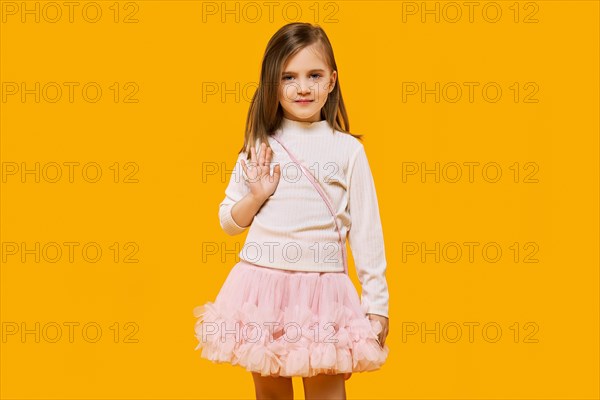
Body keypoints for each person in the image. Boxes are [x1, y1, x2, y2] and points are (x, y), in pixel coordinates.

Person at [193, 22, 390, 400]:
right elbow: (228, 222)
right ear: (273, 85)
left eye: (314, 75)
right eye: (289, 77)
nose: (303, 88)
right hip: (263, 290)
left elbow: (368, 233)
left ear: (331, 81)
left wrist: (377, 305)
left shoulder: (348, 151)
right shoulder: (261, 146)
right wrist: (256, 195)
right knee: (270, 391)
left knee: (327, 392)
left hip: (324, 294)